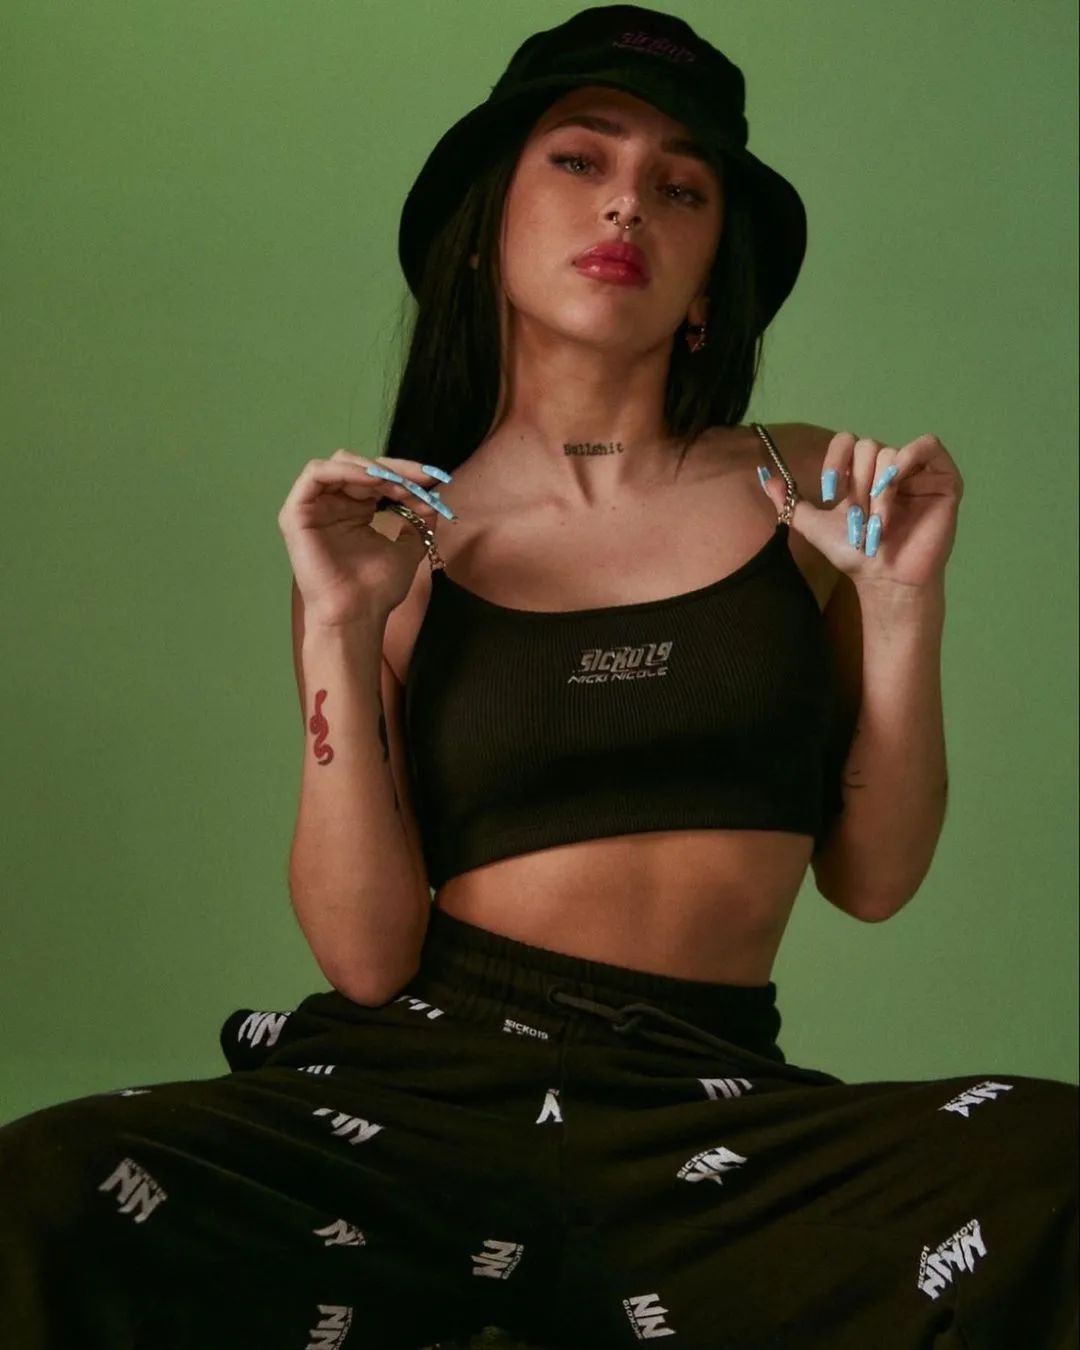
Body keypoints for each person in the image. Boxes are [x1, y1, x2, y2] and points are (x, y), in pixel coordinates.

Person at [1, 6, 1076, 1349]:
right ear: (486, 225)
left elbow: (874, 876)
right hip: (422, 1105)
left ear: (711, 274)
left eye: (681, 187)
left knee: (1056, 1167)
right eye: (580, 158)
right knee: (43, 1186)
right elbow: (365, 954)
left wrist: (904, 605)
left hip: (712, 1117)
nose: (629, 201)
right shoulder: (391, 534)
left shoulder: (806, 486)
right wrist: (336, 628)